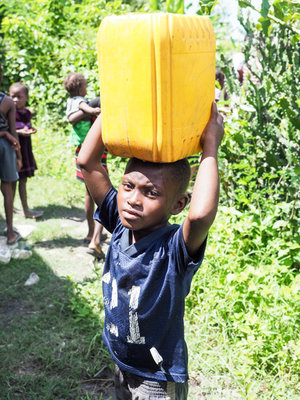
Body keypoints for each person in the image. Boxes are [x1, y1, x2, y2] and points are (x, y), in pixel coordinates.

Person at [78, 102, 224, 399]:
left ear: (177, 205)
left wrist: (210, 147)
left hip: (157, 378)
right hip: (122, 362)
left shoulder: (173, 248)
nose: (133, 199)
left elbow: (199, 217)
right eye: (128, 185)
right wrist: (114, 108)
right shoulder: (120, 225)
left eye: (151, 192)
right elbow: (87, 163)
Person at [63, 72, 106, 259]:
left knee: (89, 192)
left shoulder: (83, 101)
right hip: (93, 152)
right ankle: (95, 239)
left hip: (81, 150)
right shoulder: (81, 102)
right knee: (102, 193)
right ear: (80, 87)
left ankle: (91, 232)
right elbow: (74, 117)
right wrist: (95, 111)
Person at [9, 82, 43, 219]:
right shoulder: (9, 112)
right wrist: (19, 132)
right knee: (12, 181)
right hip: (14, 151)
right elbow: (8, 130)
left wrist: (30, 130)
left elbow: (27, 126)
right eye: (13, 97)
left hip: (26, 151)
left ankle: (24, 209)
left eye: (19, 97)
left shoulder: (27, 113)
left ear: (27, 98)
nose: (15, 100)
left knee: (22, 180)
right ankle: (14, 208)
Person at [0, 71, 22, 244]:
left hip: (6, 142)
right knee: (8, 189)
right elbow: (13, 133)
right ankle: (10, 234)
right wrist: (19, 156)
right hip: (5, 148)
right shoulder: (6, 101)